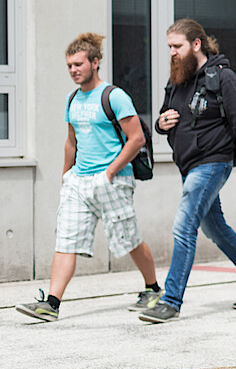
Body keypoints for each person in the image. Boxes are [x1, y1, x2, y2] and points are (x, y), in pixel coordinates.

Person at [17, 33, 161, 322]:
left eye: (79, 64)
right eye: (69, 65)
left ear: (95, 63)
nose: (73, 70)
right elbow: (71, 141)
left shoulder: (114, 96)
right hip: (79, 183)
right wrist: (66, 174)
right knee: (66, 241)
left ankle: (153, 289)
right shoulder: (72, 99)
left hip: (113, 180)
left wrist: (109, 172)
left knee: (128, 239)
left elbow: (136, 139)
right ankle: (51, 304)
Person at [137, 19, 236, 324]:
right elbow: (163, 117)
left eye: (177, 46)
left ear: (196, 44)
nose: (172, 52)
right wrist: (160, 124)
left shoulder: (224, 79)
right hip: (188, 164)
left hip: (213, 163)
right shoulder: (178, 78)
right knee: (215, 228)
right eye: (169, 46)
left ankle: (170, 300)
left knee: (184, 226)